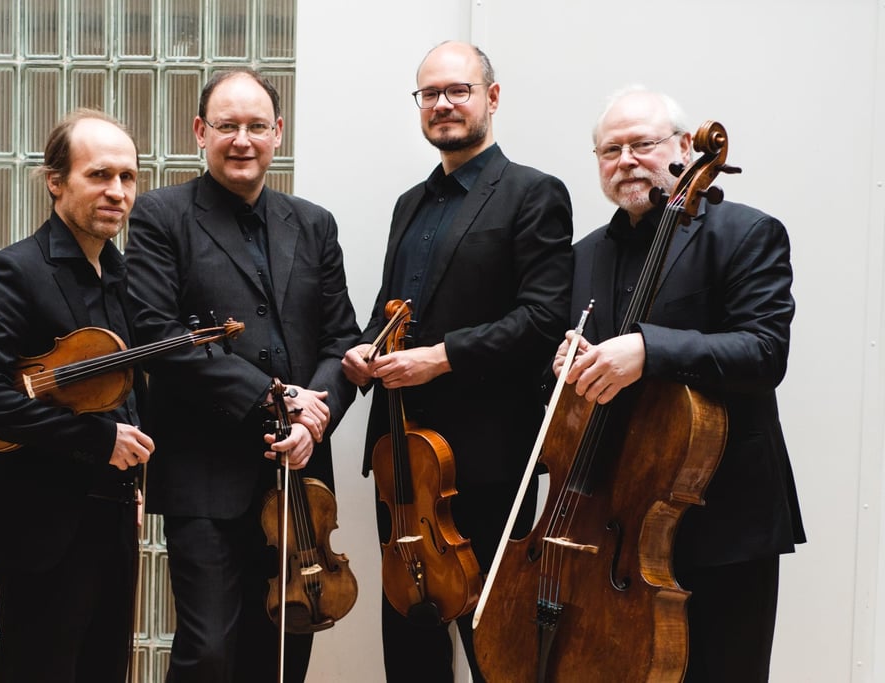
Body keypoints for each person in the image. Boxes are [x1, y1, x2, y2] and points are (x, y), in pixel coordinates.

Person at [553, 86, 806, 681]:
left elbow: (765, 352)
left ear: (687, 148)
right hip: (617, 520)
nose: (625, 161)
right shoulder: (584, 255)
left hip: (721, 517)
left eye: (642, 144)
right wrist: (568, 365)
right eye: (609, 150)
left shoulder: (745, 233)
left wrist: (650, 348)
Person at [341, 41, 574, 682]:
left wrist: (441, 359)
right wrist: (364, 350)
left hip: (488, 460)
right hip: (402, 463)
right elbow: (392, 314)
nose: (442, 104)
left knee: (494, 647)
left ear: (491, 98)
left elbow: (542, 318)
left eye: (458, 90)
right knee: (409, 647)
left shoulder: (534, 193)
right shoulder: (408, 204)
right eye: (429, 94)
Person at [123, 68, 360, 682]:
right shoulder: (160, 215)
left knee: (284, 652)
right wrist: (274, 397)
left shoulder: (313, 223)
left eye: (257, 126)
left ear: (278, 133)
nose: (242, 139)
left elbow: (341, 342)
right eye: (227, 126)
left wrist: (318, 416)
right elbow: (156, 336)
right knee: (209, 653)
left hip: (301, 483)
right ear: (200, 131)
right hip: (206, 479)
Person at [0, 109, 155, 683]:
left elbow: (122, 391)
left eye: (128, 177)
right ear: (56, 181)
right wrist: (98, 440)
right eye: (99, 175)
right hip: (42, 522)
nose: (117, 191)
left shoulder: (123, 280)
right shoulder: (15, 271)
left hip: (112, 517)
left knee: (104, 671)